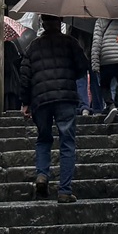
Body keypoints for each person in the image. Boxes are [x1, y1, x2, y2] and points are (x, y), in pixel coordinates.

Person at [20, 14, 89, 201]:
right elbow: (83, 67)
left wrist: (25, 102)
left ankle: (42, 174)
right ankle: (65, 190)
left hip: (41, 100)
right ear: (60, 22)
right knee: (67, 142)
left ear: (43, 23)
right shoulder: (70, 43)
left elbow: (25, 75)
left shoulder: (33, 46)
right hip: (65, 98)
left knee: (43, 139)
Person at [93, 16, 118, 131]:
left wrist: (95, 62)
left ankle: (110, 105)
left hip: (107, 58)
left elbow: (96, 42)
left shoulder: (101, 20)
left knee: (104, 85)